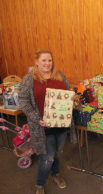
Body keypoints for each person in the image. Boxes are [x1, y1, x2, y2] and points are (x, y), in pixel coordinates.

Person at [19, 50, 77, 194]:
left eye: (49, 60)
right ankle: (40, 183)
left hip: (61, 125)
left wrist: (72, 97)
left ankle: (56, 174)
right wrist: (37, 119)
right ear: (36, 62)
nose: (47, 63)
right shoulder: (29, 79)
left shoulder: (59, 75)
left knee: (58, 153)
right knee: (47, 158)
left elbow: (68, 94)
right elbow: (23, 101)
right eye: (44, 60)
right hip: (42, 128)